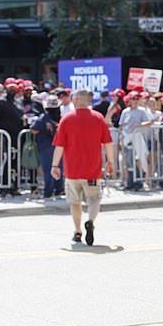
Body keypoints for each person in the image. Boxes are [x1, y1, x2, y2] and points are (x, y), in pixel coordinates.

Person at [51, 89, 114, 246]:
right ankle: (90, 221)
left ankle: (78, 231)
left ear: (77, 99)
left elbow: (59, 146)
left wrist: (54, 165)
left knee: (75, 202)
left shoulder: (67, 119)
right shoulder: (99, 118)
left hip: (72, 170)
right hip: (93, 169)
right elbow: (108, 143)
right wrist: (110, 162)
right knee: (94, 200)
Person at [0, 78, 24, 197]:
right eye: (10, 88)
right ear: (6, 88)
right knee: (6, 162)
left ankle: (14, 187)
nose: (12, 90)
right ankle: (3, 187)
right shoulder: (1, 102)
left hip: (17, 138)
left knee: (15, 162)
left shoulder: (18, 103)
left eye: (14, 88)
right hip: (5, 138)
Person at [30, 94, 63, 198]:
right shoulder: (60, 117)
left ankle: (48, 192)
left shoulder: (44, 117)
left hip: (45, 146)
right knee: (59, 168)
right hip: (59, 146)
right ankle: (59, 189)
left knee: (48, 169)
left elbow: (34, 129)